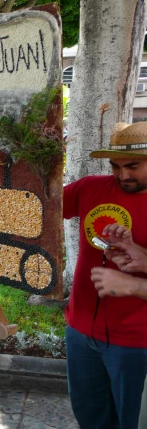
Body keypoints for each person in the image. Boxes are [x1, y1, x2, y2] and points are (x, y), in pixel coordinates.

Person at [62, 121, 147, 428]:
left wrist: (132, 284)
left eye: (133, 166)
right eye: (116, 166)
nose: (123, 175)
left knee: (132, 422)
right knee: (90, 417)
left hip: (137, 341)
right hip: (81, 331)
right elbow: (41, 207)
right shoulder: (91, 187)